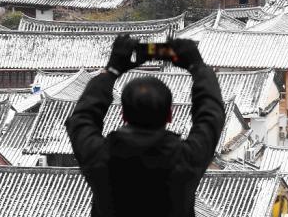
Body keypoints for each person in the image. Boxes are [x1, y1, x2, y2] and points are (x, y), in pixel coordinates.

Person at [66, 34, 226, 217]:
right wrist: (197, 66)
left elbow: (82, 117)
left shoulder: (99, 155)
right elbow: (211, 113)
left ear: (123, 115)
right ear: (169, 115)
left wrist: (112, 71)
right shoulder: (186, 158)